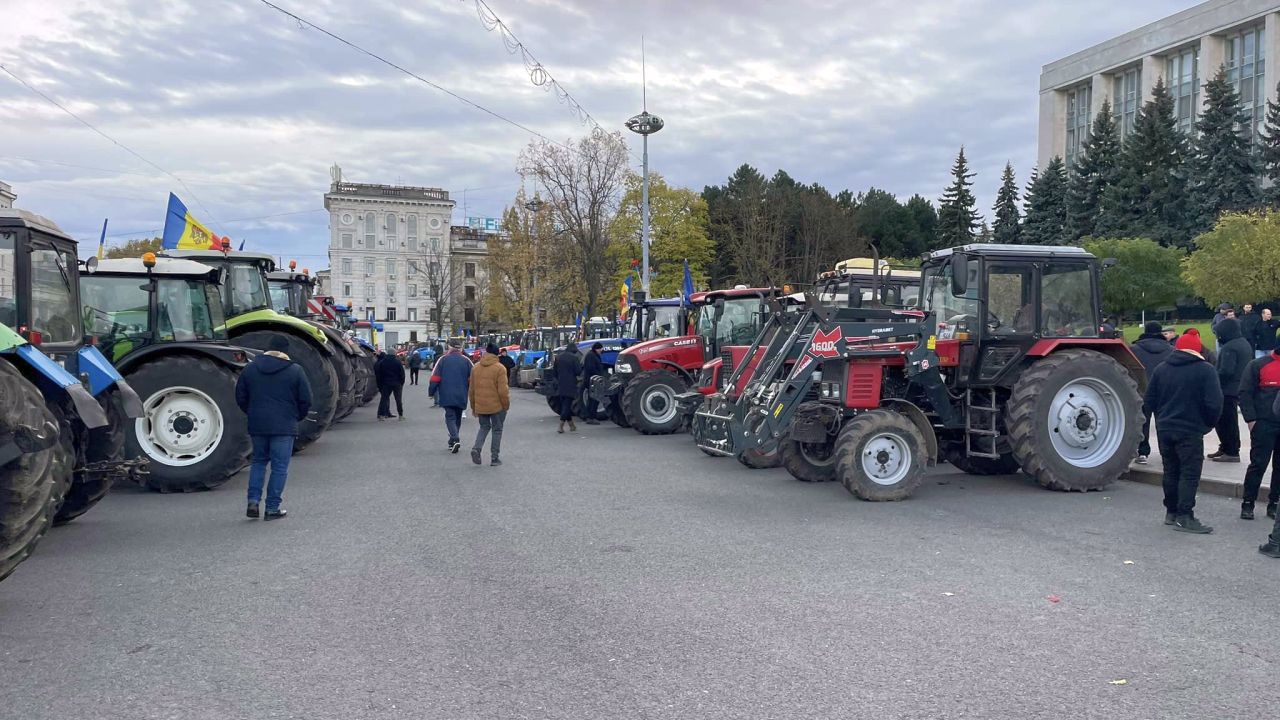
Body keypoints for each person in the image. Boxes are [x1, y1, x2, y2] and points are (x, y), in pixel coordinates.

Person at [1145, 330, 1223, 533]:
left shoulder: (1162, 369)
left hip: (1165, 427)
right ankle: (1185, 515)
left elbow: (1149, 400)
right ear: (1198, 349)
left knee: (1170, 470)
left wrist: (1161, 417)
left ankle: (1171, 512)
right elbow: (1215, 404)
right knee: (1189, 473)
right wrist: (1207, 425)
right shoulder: (1205, 370)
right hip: (1190, 429)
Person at [234, 334, 312, 521]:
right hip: (284, 425)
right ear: (286, 351)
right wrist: (295, 417)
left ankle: (253, 501)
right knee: (279, 467)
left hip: (258, 424)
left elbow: (240, 397)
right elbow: (306, 400)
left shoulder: (250, 369)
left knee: (259, 462)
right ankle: (272, 508)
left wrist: (253, 412)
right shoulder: (295, 370)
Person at [1238, 346, 1280, 520]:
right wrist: (1251, 419)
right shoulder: (1258, 365)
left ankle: (1274, 504)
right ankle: (1248, 503)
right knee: (1258, 464)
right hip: (1263, 423)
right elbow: (1245, 392)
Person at [1132, 321, 1173, 464]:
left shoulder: (1134, 349)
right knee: (1164, 423)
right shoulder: (1170, 349)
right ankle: (1166, 452)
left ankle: (1142, 452)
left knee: (1143, 422)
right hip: (1165, 391)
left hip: (1142, 389)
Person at [1211, 317, 1251, 463]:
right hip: (1238, 386)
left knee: (1226, 421)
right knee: (1229, 420)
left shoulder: (1230, 347)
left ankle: (1231, 450)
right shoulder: (1243, 343)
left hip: (1227, 389)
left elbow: (1226, 371)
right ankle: (1227, 447)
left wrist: (1214, 381)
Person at [469, 342, 510, 466]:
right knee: (497, 429)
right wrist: (506, 405)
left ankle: (477, 448)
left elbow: (471, 389)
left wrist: (473, 406)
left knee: (484, 427)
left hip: (481, 405)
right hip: (497, 406)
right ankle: (494, 458)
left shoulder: (475, 367)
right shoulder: (499, 368)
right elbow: (503, 391)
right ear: (497, 353)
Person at [430, 339, 472, 453]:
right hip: (462, 393)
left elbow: (435, 377)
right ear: (460, 348)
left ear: (449, 347)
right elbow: (473, 378)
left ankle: (454, 438)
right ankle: (452, 441)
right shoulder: (467, 361)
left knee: (450, 417)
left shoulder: (442, 360)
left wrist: (431, 391)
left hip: (446, 393)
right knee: (457, 417)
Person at [552, 342, 582, 433]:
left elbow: (555, 372)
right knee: (567, 405)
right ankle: (560, 426)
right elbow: (578, 371)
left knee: (565, 404)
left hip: (560, 384)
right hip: (571, 384)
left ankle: (572, 425)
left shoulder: (558, 357)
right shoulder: (574, 358)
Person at [375, 350, 406, 420]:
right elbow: (402, 374)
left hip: (386, 383)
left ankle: (382, 416)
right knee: (398, 400)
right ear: (394, 354)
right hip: (397, 384)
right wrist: (401, 383)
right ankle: (400, 415)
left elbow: (379, 374)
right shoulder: (398, 362)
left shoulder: (382, 362)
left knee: (384, 399)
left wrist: (381, 383)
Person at [580, 342, 606, 425]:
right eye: (600, 348)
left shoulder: (592, 355)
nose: (601, 350)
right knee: (594, 399)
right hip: (593, 381)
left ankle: (590, 416)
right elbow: (591, 368)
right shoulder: (591, 356)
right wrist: (599, 376)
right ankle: (591, 417)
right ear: (597, 348)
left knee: (593, 399)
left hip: (593, 380)